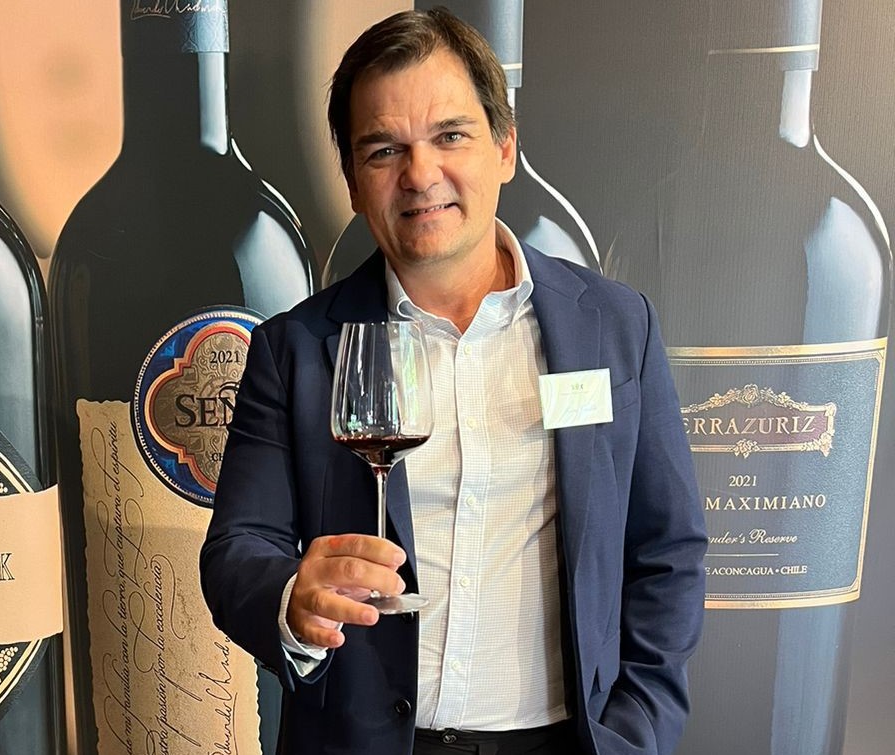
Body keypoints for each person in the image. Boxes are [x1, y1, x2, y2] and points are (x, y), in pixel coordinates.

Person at [200, 8, 706, 755]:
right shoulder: (294, 349)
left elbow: (667, 550)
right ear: (353, 182)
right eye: (384, 150)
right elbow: (238, 548)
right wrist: (291, 601)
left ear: (505, 147)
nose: (420, 174)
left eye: (450, 136)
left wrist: (635, 731)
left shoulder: (616, 327)